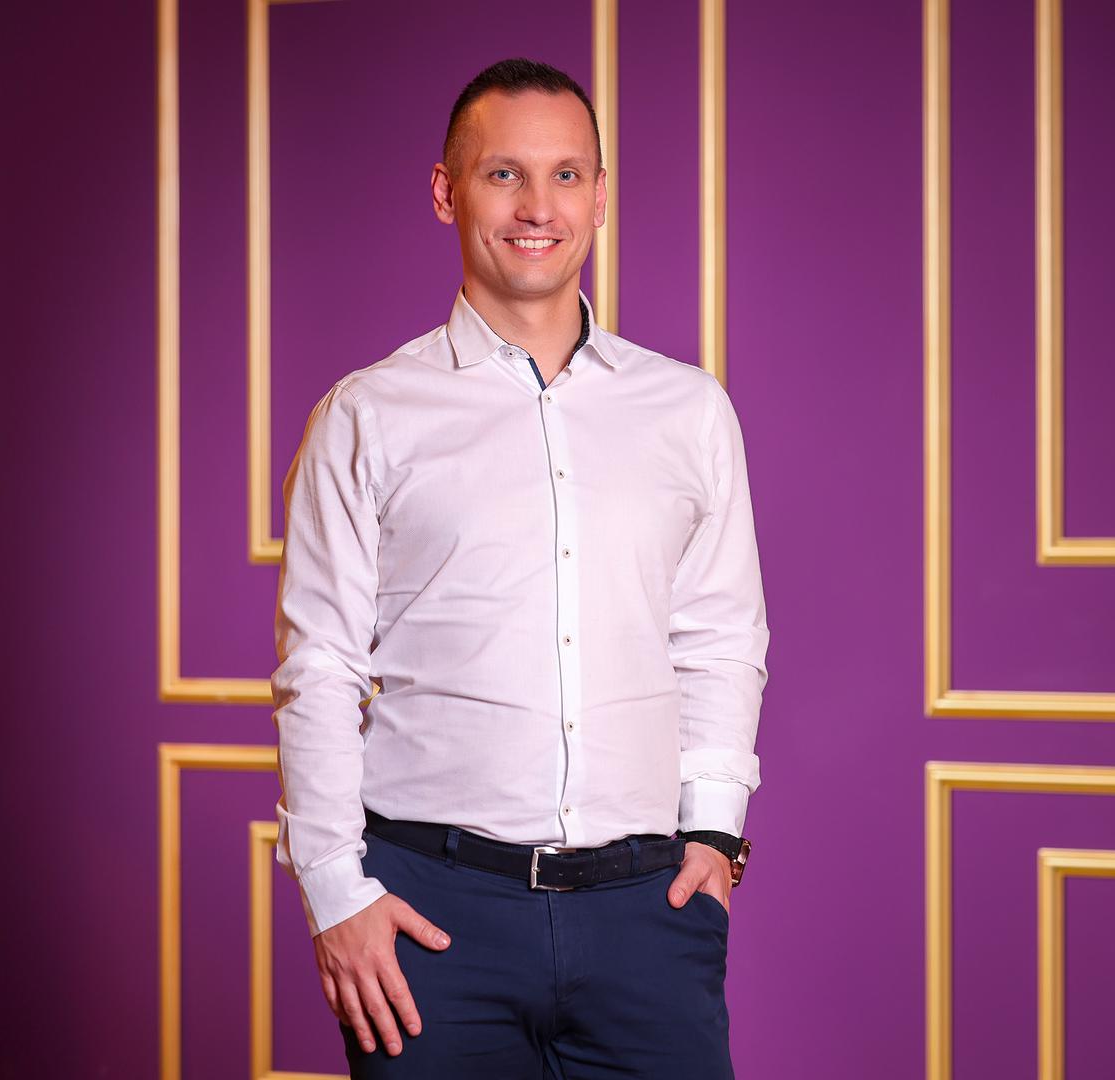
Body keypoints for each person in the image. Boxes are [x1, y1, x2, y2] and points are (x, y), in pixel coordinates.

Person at [270, 56, 769, 1078]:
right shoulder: (366, 416)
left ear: (600, 196)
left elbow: (720, 637)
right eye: (504, 174)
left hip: (648, 915)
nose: (539, 207)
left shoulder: (688, 412)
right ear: (447, 191)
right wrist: (333, 893)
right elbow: (319, 666)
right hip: (429, 918)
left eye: (566, 175)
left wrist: (716, 836)